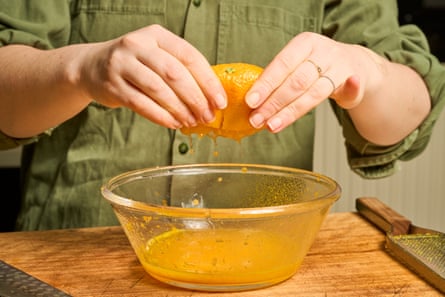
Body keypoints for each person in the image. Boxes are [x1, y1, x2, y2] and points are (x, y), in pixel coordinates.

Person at [0, 0, 444, 231]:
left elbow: (401, 123)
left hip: (266, 257)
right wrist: (79, 69)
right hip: (75, 246)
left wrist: (369, 72)